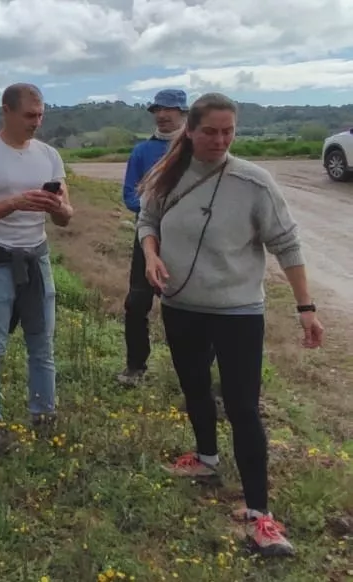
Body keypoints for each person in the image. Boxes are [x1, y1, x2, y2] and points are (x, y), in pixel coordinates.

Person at [136, 92, 324, 557]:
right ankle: (205, 459)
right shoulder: (168, 174)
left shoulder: (254, 183)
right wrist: (151, 255)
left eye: (228, 131)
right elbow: (147, 220)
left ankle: (261, 517)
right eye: (210, 131)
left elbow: (288, 245)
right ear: (191, 131)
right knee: (195, 386)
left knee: (242, 407)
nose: (220, 140)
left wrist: (306, 308)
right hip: (181, 306)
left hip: (238, 312)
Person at [0, 83, 74, 454]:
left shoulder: (49, 156)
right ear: (6, 111)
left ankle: (44, 415)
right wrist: (16, 203)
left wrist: (55, 207)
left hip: (36, 258)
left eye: (40, 115)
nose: (36, 123)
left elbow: (66, 218)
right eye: (29, 115)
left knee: (42, 345)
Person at [117, 89, 189, 386]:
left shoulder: (196, 149)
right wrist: (157, 213)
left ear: (184, 113)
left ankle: (191, 373)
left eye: (169, 109)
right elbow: (130, 196)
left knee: (187, 307)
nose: (162, 115)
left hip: (186, 241)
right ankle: (135, 366)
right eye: (158, 109)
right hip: (146, 238)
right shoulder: (142, 152)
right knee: (136, 303)